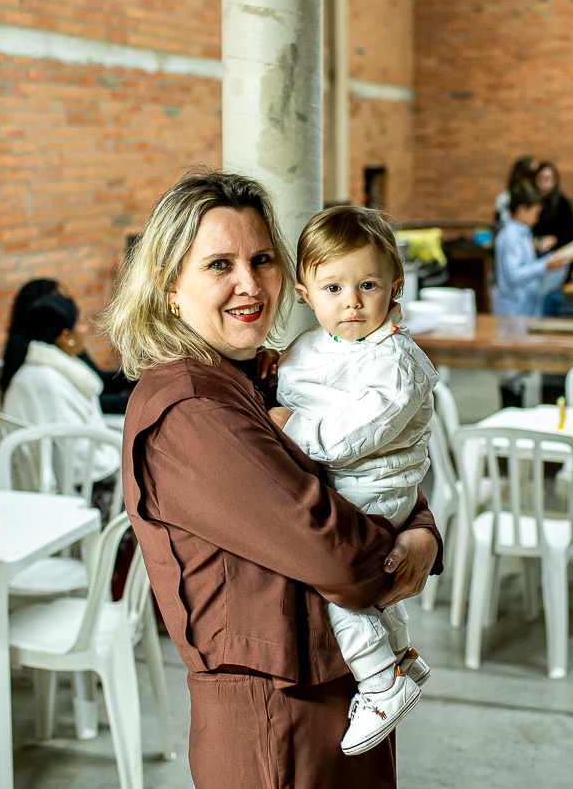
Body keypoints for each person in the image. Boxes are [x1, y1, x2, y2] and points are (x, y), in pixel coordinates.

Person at [104, 170, 442, 788]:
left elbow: (372, 466)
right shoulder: (191, 413)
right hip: (274, 718)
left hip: (341, 687)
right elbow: (341, 557)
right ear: (168, 285)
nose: (250, 283)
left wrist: (420, 531)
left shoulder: (263, 372)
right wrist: (404, 545)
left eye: (262, 259)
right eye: (219, 265)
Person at [273, 206, 439, 756]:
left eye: (367, 285)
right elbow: (298, 386)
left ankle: (380, 681)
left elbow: (353, 436)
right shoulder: (318, 344)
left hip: (377, 486)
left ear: (395, 287)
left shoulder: (397, 361)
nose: (352, 301)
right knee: (359, 576)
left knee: (332, 576)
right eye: (333, 288)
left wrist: (292, 426)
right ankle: (402, 657)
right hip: (347, 480)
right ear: (305, 294)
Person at [1, 293, 121, 482]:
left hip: (76, 477)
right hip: (80, 487)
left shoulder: (41, 370)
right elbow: (74, 457)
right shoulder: (48, 382)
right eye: (80, 322)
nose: (85, 329)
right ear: (66, 336)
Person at [5, 278, 134, 413]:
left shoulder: (65, 351)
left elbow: (98, 381)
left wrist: (135, 377)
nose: (65, 297)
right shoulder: (42, 374)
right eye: (58, 296)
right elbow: (83, 404)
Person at [491, 183, 573, 316]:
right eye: (535, 213)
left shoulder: (522, 234)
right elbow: (514, 275)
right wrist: (545, 265)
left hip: (525, 305)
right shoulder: (510, 236)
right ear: (522, 210)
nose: (537, 218)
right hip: (514, 308)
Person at [532, 161, 573, 253]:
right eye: (541, 178)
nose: (544, 182)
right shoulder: (531, 201)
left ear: (554, 181)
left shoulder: (562, 203)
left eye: (547, 179)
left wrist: (555, 240)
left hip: (557, 252)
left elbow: (571, 233)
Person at [494, 154, 538, 223]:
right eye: (531, 174)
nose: (535, 178)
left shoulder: (540, 197)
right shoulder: (505, 198)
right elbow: (503, 222)